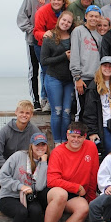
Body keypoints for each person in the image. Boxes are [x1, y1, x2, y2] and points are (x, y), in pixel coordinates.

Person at [38, 122, 98, 222]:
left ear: (85, 137)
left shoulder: (91, 147)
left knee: (83, 208)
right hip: (55, 191)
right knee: (61, 195)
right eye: (72, 136)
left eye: (79, 137)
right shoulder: (58, 152)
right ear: (67, 135)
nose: (75, 140)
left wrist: (91, 200)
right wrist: (76, 187)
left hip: (75, 194)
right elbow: (52, 181)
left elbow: (93, 174)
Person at [0, 133, 49, 222]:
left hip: (28, 197)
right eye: (37, 145)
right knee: (21, 212)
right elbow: (1, 177)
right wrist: (20, 186)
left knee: (36, 211)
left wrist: (43, 163)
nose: (40, 147)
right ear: (31, 146)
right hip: (9, 196)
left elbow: (40, 186)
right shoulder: (18, 156)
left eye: (43, 144)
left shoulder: (44, 162)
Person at [17, 0, 54, 110]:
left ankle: (47, 99)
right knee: (34, 70)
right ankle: (36, 100)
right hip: (33, 41)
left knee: (48, 70)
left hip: (50, 42)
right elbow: (21, 18)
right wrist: (33, 31)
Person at [40, 10, 75, 145]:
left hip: (69, 80)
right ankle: (57, 143)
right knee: (57, 111)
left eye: (69, 22)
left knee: (67, 112)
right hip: (53, 78)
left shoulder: (74, 36)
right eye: (64, 20)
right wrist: (63, 56)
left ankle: (65, 142)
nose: (65, 23)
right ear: (59, 20)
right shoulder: (49, 37)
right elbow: (44, 61)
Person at [0, 100, 41, 187]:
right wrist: (10, 167)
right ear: (16, 112)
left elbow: (41, 152)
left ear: (31, 115)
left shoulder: (35, 131)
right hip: (8, 164)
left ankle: (29, 190)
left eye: (27, 113)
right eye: (21, 112)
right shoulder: (5, 130)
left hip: (27, 165)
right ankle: (8, 189)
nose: (24, 115)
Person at [70, 5, 103, 121]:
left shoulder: (99, 36)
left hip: (96, 79)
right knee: (81, 110)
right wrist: (77, 77)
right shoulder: (78, 31)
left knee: (92, 110)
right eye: (91, 16)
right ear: (86, 16)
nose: (94, 18)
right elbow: (74, 54)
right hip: (82, 78)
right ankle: (78, 131)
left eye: (96, 16)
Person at [83, 56, 111, 156]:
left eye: (110, 66)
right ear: (100, 67)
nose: (107, 68)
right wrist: (92, 132)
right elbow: (89, 111)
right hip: (103, 126)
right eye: (105, 66)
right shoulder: (94, 86)